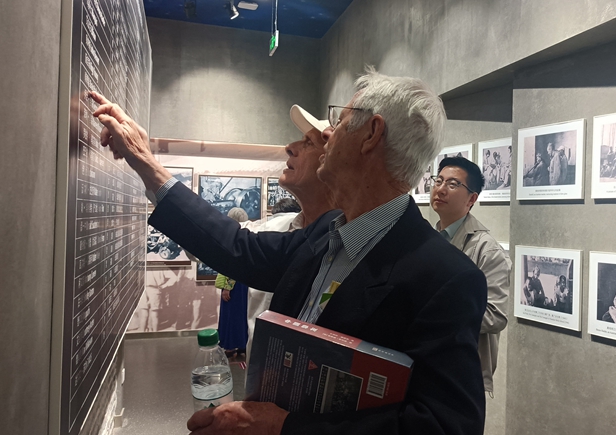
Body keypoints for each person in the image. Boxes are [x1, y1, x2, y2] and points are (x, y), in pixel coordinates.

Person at [88, 67, 486, 435]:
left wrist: (283, 427)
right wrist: (146, 164)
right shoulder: (327, 233)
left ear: (371, 134)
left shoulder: (446, 278)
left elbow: (446, 426)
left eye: (338, 122)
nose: (328, 135)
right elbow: (238, 248)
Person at [240, 104, 335, 366]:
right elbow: (214, 239)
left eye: (308, 142)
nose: (290, 147)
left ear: (333, 162)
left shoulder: (350, 246)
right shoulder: (273, 228)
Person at [431, 156, 510, 395]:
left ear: (472, 199)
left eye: (453, 184)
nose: (441, 189)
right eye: (439, 181)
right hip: (429, 360)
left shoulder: (487, 250)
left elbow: (496, 316)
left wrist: (436, 314)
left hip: (461, 373)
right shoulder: (430, 238)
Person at [215, 208, 250, 358]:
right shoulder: (248, 235)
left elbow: (231, 265)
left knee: (230, 315)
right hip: (245, 283)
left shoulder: (232, 237)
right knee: (243, 314)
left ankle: (230, 346)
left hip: (233, 284)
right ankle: (243, 345)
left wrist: (227, 288)